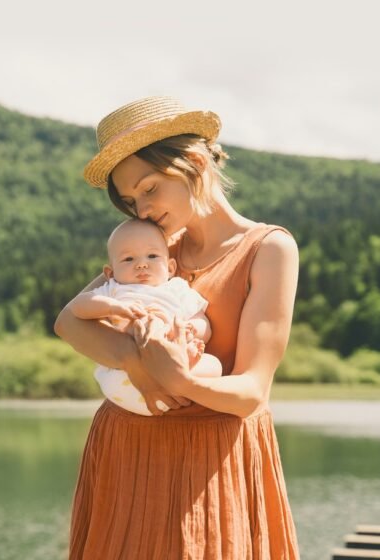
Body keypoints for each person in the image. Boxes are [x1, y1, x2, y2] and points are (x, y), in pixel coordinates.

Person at [55, 96, 301, 559]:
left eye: (149, 189)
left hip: (213, 459)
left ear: (193, 161)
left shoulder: (268, 248)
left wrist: (178, 379)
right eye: (130, 201)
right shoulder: (153, 247)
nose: (141, 210)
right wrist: (137, 364)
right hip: (128, 449)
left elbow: (251, 392)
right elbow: (69, 321)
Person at [69, 218, 223, 416]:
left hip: (170, 369)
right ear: (110, 273)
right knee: (121, 357)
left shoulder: (176, 288)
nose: (141, 265)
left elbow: (203, 322)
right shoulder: (114, 290)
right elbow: (77, 307)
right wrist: (113, 308)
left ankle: (183, 363)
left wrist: (191, 328)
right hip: (126, 381)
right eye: (128, 259)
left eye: (152, 256)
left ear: (170, 268)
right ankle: (177, 365)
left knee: (214, 366)